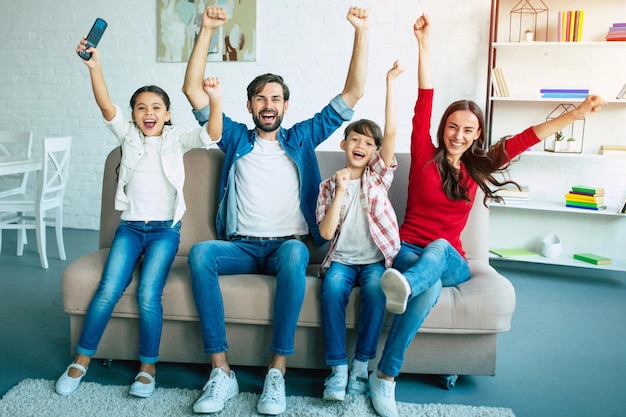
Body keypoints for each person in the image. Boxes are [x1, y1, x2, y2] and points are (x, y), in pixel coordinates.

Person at [368, 14, 606, 417]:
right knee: (426, 288)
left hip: (452, 260)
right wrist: (424, 44)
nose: (458, 135)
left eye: (468, 129)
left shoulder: (480, 165)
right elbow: (423, 96)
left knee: (441, 249)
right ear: (443, 128)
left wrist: (576, 115)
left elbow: (527, 137)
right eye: (453, 126)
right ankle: (385, 378)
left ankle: (402, 288)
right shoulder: (424, 154)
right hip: (408, 250)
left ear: (478, 134)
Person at [181, 5, 370, 416]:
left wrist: (361, 32)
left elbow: (353, 93)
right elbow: (192, 90)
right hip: (242, 248)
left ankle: (276, 373)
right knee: (200, 253)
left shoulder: (302, 137)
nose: (268, 104)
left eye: (276, 98)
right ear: (249, 106)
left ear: (286, 105)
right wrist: (207, 30)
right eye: (260, 98)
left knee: (297, 252)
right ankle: (222, 371)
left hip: (287, 247)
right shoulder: (232, 138)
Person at [54, 38, 222, 398]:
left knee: (148, 294)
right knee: (108, 290)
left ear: (167, 113)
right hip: (130, 228)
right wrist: (95, 67)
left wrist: (215, 100)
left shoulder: (177, 137)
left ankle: (148, 368)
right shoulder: (127, 134)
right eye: (141, 107)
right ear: (133, 114)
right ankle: (81, 361)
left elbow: (212, 133)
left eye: (157, 107)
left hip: (164, 232)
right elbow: (105, 105)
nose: (149, 113)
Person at [315, 61, 403, 402]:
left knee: (376, 291)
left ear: (374, 153)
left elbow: (392, 132)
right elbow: (324, 235)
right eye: (356, 139)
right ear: (344, 143)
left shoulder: (377, 176)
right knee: (333, 289)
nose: (361, 146)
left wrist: (390, 82)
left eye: (369, 144)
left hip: (374, 261)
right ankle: (337, 369)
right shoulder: (327, 186)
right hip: (341, 260)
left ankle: (360, 368)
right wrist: (340, 190)